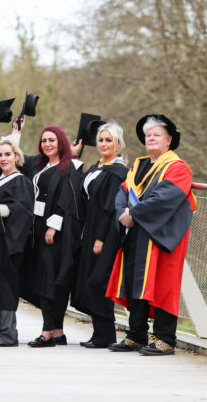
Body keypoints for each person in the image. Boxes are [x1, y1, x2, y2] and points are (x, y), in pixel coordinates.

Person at [107, 115, 196, 356]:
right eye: (148, 136)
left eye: (157, 135)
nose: (151, 139)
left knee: (163, 285)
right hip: (136, 233)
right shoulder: (138, 166)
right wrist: (124, 214)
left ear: (169, 140)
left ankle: (165, 339)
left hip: (161, 236)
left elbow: (166, 197)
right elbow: (121, 194)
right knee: (135, 282)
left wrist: (133, 214)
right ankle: (136, 334)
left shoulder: (178, 168)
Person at [14, 118, 83, 347]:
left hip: (55, 231)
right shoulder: (39, 165)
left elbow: (68, 199)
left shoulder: (69, 166)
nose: (47, 144)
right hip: (36, 227)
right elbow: (13, 159)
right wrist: (16, 132)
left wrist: (54, 225)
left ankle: (47, 332)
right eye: (44, 140)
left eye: (52, 140)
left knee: (52, 279)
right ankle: (58, 331)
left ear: (61, 142)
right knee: (43, 278)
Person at [70, 121, 128, 348]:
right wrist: (75, 157)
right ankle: (98, 334)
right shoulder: (97, 167)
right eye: (101, 140)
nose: (103, 144)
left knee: (98, 281)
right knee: (88, 280)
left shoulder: (118, 172)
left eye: (108, 140)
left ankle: (106, 336)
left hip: (104, 232)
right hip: (89, 229)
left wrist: (100, 238)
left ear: (118, 143)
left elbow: (109, 207)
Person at [0, 134, 34, 347]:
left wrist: (2, 210)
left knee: (6, 288)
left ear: (16, 156)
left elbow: (23, 211)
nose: (3, 158)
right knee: (0, 288)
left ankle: (8, 334)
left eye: (8, 155)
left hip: (10, 244)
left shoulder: (21, 181)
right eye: (0, 155)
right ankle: (2, 331)